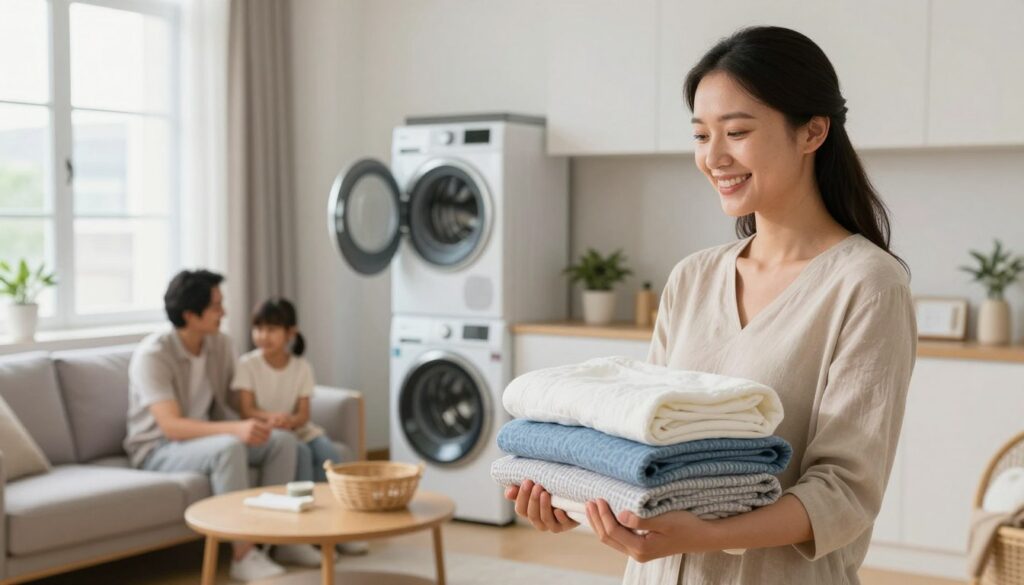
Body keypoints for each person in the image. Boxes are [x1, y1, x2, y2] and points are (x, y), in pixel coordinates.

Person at [504, 26, 918, 585]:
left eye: (738, 132)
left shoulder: (867, 286)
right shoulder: (693, 277)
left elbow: (844, 494)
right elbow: (642, 446)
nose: (714, 157)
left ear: (812, 132)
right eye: (701, 135)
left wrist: (708, 535)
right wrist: (576, 499)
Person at [124, 270, 309, 580]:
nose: (224, 312)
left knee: (282, 441)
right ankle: (243, 554)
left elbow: (235, 400)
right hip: (158, 449)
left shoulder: (219, 344)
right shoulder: (153, 356)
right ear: (189, 315)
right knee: (229, 447)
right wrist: (236, 429)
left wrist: (266, 417)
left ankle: (279, 540)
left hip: (204, 439)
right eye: (216, 306)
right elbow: (171, 427)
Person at [232, 297, 368, 556]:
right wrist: (273, 419)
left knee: (331, 456)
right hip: (269, 431)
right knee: (302, 455)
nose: (263, 336)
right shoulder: (248, 365)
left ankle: (335, 528)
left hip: (300, 429)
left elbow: (304, 414)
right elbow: (246, 409)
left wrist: (290, 420)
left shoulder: (301, 367)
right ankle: (301, 534)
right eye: (258, 328)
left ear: (290, 333)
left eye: (271, 329)